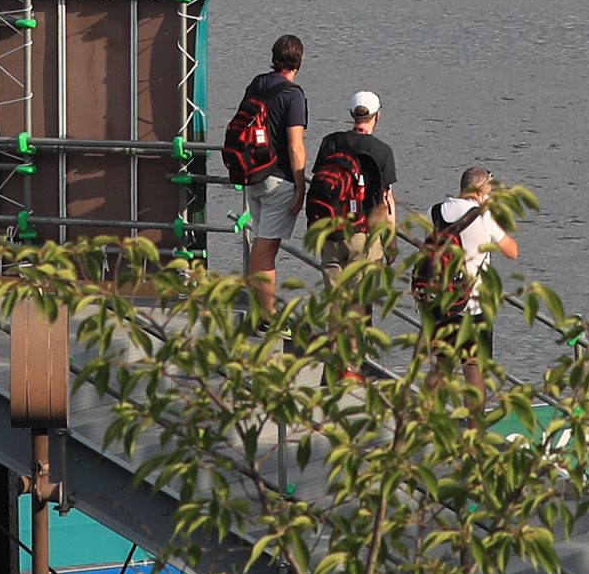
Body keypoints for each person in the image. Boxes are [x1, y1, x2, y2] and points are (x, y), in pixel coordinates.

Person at [218, 35, 312, 313]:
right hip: (279, 180)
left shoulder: (258, 83)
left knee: (260, 241)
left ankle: (262, 310)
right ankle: (268, 317)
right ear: (300, 60)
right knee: (266, 249)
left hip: (253, 174)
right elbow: (295, 146)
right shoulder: (293, 95)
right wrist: (300, 186)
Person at [418, 168, 521, 374]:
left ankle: (429, 406)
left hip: (442, 301)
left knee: (441, 365)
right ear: (481, 191)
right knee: (474, 370)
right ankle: (475, 408)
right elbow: (512, 252)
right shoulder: (484, 217)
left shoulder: (434, 212)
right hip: (473, 304)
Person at [306, 92, 399, 266]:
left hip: (330, 229)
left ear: (351, 114)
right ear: (377, 116)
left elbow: (318, 183)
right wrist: (391, 239)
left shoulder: (330, 142)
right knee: (362, 291)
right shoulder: (383, 151)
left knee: (334, 292)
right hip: (363, 234)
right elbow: (387, 200)